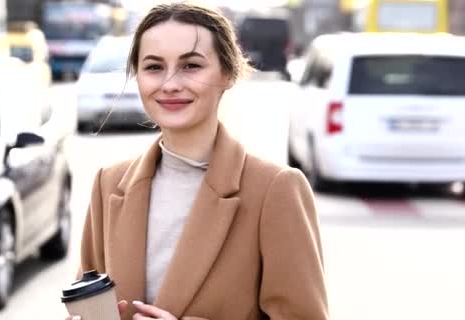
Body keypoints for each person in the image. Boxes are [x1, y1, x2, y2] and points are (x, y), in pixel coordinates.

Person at [67, 2, 328, 319]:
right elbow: (88, 302)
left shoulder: (275, 190)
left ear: (228, 73)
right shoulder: (108, 184)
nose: (170, 84)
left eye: (191, 65)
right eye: (153, 67)